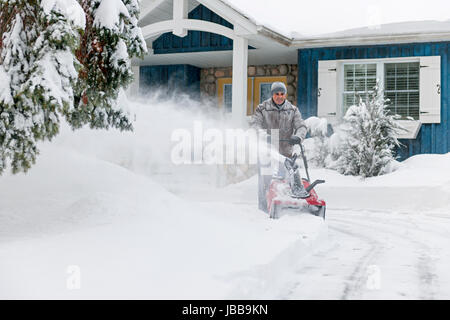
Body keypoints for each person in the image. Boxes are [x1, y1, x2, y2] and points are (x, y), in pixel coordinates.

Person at [250, 82, 309, 212]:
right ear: (272, 94)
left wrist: (298, 137)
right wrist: (264, 136)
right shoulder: (263, 108)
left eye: (282, 94)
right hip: (267, 153)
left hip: (285, 154)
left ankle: (285, 209)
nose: (280, 96)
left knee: (286, 183)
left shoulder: (292, 110)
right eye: (277, 94)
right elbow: (255, 125)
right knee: (266, 184)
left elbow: (302, 126)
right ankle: (264, 210)